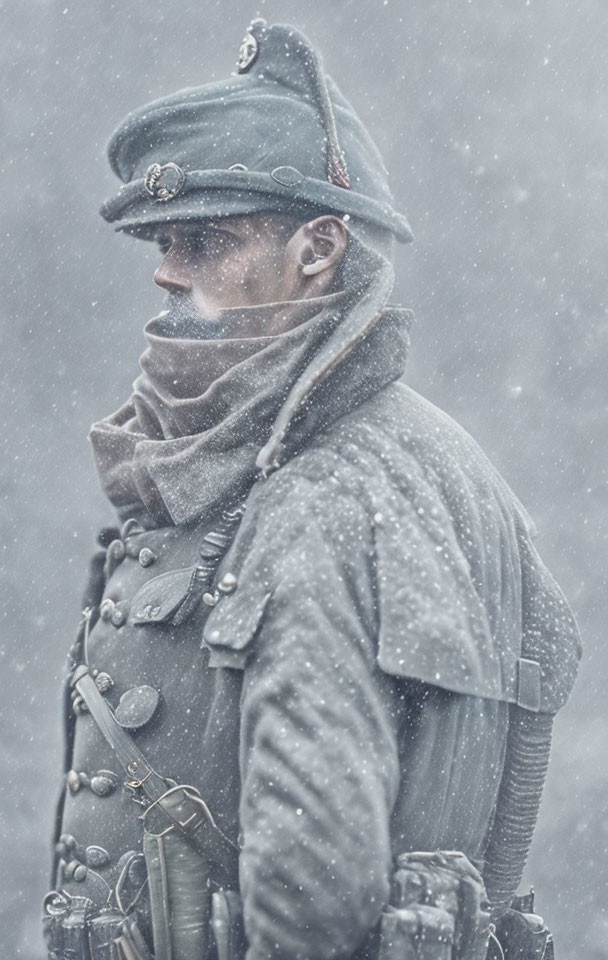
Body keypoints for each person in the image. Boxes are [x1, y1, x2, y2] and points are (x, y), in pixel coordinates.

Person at [44, 19, 581, 960]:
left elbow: (316, 900)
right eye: (164, 241)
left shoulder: (319, 492)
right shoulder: (422, 454)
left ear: (319, 250)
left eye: (206, 239)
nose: (167, 269)